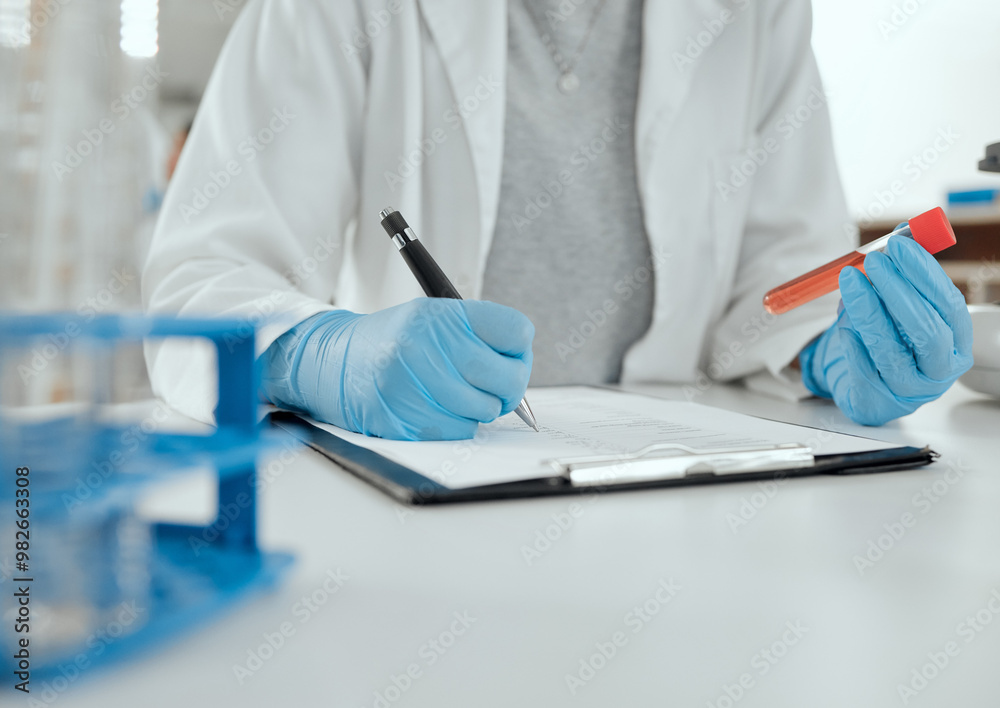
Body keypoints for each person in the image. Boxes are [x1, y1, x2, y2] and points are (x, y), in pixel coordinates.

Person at [143, 0, 972, 440]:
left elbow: (784, 274)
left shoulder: (758, 11)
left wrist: (831, 348)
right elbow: (201, 282)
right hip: (421, 494)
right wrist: (319, 354)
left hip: (690, 500)